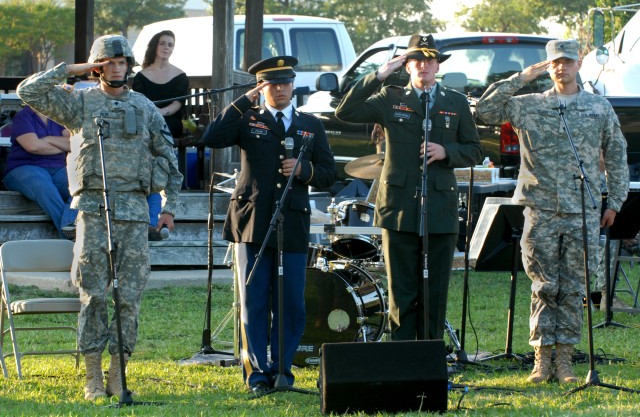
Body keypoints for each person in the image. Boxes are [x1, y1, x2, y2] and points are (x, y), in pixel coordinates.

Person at [17, 34, 183, 400]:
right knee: (92, 294)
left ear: (130, 66)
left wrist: (170, 207)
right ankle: (93, 375)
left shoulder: (144, 107)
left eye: (122, 62)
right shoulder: (79, 104)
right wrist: (73, 70)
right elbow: (29, 91)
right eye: (108, 62)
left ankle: (119, 374)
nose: (116, 68)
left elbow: (170, 160)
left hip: (136, 215)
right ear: (98, 66)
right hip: (93, 212)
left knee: (130, 297)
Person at [476, 39, 629, 384]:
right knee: (544, 285)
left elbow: (617, 156)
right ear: (548, 66)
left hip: (583, 211)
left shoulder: (598, 108)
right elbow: (484, 111)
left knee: (575, 286)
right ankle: (541, 361)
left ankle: (565, 361)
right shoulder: (528, 106)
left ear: (578, 65)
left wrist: (614, 203)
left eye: (568, 62)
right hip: (540, 208)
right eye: (556, 62)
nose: (562, 68)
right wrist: (521, 78)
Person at [202, 56, 336, 396]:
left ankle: (282, 371)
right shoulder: (249, 119)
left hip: (292, 220)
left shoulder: (310, 125)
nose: (280, 89)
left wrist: (303, 169)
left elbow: (330, 173)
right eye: (271, 84)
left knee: (291, 302)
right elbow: (211, 137)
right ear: (262, 87)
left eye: (285, 82)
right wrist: (243, 101)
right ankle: (257, 374)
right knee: (255, 300)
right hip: (253, 220)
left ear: (293, 85)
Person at [335, 34, 483, 341]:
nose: (424, 66)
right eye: (417, 60)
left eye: (430, 61)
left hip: (439, 207)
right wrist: (378, 74)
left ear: (437, 65)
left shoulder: (454, 102)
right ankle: (402, 354)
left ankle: (430, 352)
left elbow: (475, 149)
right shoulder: (391, 98)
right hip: (399, 206)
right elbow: (345, 112)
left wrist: (447, 152)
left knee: (435, 286)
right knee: (402, 287)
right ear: (407, 65)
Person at [132, 30, 189, 238]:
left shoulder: (180, 75)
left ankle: (154, 218)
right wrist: (152, 115)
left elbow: (177, 104)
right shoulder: (141, 75)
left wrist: (159, 114)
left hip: (169, 121)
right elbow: (138, 103)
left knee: (160, 154)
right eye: (163, 43)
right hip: (145, 122)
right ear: (155, 46)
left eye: (170, 44)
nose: (166, 47)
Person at [3, 104, 78, 238]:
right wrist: (61, 145)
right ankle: (69, 234)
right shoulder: (23, 116)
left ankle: (69, 225)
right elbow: (33, 147)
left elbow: (73, 144)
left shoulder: (59, 117)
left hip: (59, 168)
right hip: (24, 167)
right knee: (44, 187)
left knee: (81, 187)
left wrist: (47, 139)